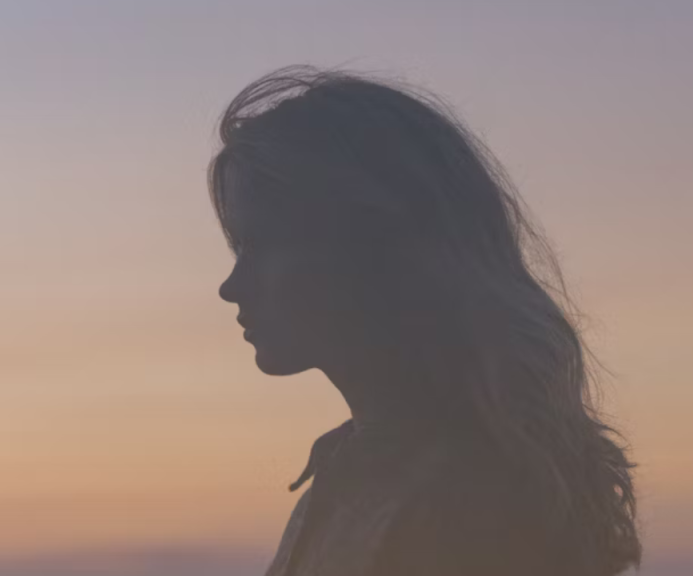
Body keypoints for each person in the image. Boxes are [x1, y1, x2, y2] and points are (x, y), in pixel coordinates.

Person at [209, 64, 642, 576]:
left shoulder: (467, 501)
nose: (232, 287)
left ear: (372, 245)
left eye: (263, 245)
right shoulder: (354, 476)